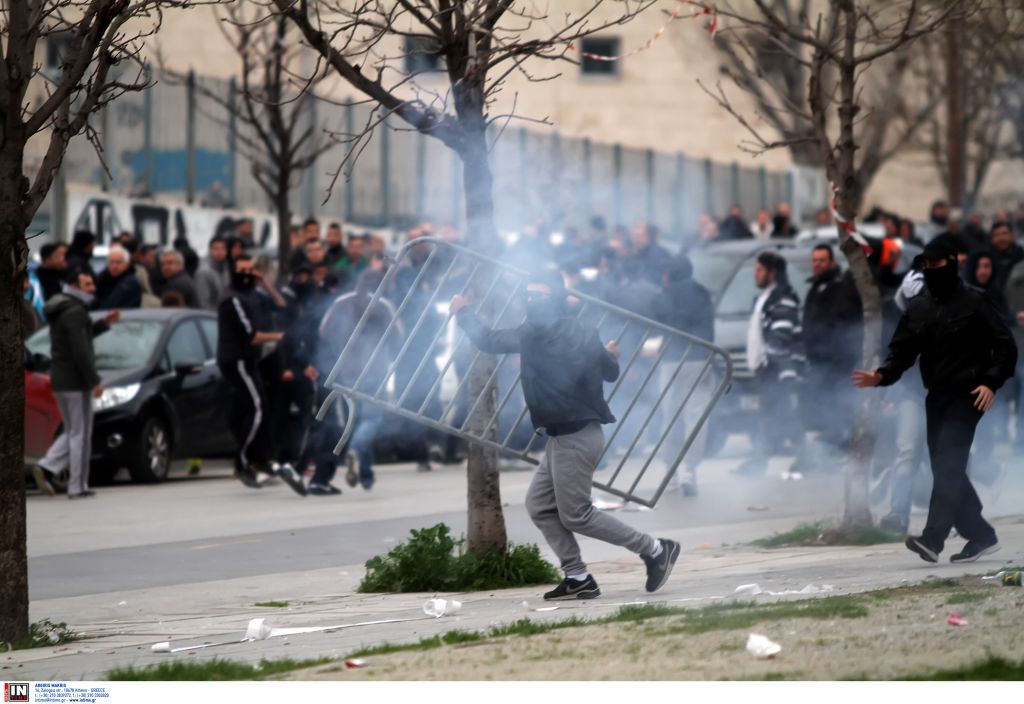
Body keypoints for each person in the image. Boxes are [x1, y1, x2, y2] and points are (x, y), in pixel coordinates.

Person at [451, 272, 681, 601]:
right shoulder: (583, 329)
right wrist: (610, 354)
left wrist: (462, 312)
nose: (533, 302)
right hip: (565, 436)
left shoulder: (533, 331)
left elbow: (488, 340)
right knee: (540, 506)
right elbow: (611, 373)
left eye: (539, 295)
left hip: (576, 436)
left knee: (577, 514)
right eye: (529, 295)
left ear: (555, 297)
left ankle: (656, 550)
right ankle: (578, 577)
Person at [853, 240, 1017, 563]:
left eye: (936, 265)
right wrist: (882, 376)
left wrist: (990, 382)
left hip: (969, 396)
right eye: (925, 266)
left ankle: (933, 539)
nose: (930, 271)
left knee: (948, 465)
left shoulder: (974, 301)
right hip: (936, 397)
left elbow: (1005, 347)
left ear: (952, 264)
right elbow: (901, 351)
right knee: (945, 467)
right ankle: (981, 534)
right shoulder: (919, 307)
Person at [216, 254, 307, 495]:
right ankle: (243, 461)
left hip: (250, 360)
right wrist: (280, 337)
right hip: (235, 361)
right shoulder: (233, 300)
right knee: (257, 408)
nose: (247, 274)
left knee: (258, 410)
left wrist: (264, 283)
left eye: (251, 270)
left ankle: (263, 458)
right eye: (242, 270)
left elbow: (280, 305)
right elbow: (251, 336)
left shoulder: (253, 295)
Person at [31, 270, 120, 499]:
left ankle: (48, 466)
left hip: (62, 379)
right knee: (81, 433)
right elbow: (80, 351)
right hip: (76, 381)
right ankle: (76, 485)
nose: (92, 288)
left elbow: (80, 337)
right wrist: (94, 381)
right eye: (87, 284)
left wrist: (103, 324)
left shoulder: (63, 309)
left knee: (72, 431)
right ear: (74, 286)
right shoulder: (75, 312)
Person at [317, 267, 400, 492]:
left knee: (357, 419)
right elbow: (398, 335)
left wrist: (340, 349)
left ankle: (366, 474)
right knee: (371, 420)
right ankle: (355, 451)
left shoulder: (340, 302)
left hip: (348, 371)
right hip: (376, 370)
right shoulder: (383, 305)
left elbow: (324, 331)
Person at [651, 255, 715, 496]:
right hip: (699, 359)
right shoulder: (701, 292)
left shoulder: (664, 294)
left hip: (671, 360)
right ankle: (689, 471)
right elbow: (709, 327)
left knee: (670, 417)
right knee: (695, 419)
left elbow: (654, 319)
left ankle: (671, 473)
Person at [735, 251, 802, 475]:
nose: (755, 273)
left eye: (759, 270)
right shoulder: (765, 297)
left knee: (772, 414)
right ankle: (809, 456)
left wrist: (771, 363)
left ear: (772, 273)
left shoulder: (782, 298)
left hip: (777, 369)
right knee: (778, 414)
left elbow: (780, 337)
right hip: (767, 368)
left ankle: (759, 461)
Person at [799, 244, 861, 466]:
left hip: (836, 364)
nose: (817, 265)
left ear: (832, 262)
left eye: (822, 261)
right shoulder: (815, 287)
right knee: (819, 410)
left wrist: (834, 358)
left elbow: (842, 326)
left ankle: (841, 454)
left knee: (838, 409)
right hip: (817, 362)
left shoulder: (839, 288)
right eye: (814, 260)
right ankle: (825, 456)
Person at [95, 245, 142, 310]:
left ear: (126, 264)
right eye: (111, 262)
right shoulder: (103, 281)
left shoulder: (130, 284)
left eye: (118, 262)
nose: (114, 266)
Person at [195, 236, 231, 310]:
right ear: (210, 251)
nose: (220, 252)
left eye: (223, 248)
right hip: (211, 318)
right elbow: (203, 302)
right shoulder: (204, 272)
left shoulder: (227, 270)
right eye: (216, 249)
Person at [988, 221, 1023, 295]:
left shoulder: (1021, 257)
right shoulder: (986, 260)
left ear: (1012, 235)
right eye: (997, 235)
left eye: (1004, 233)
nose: (1001, 238)